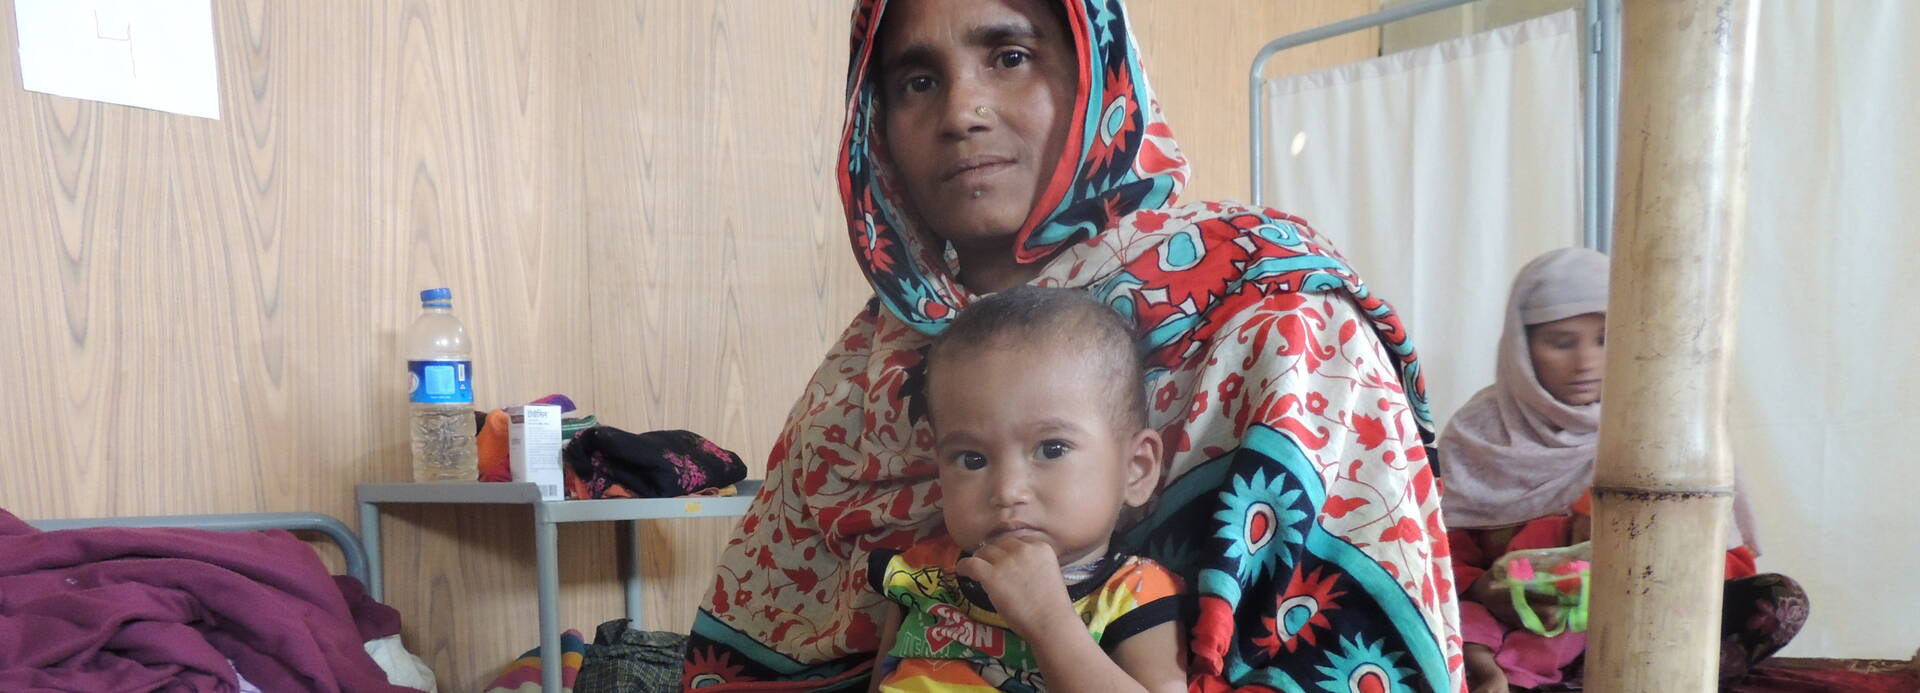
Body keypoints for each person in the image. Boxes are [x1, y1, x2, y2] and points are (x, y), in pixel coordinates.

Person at [684, 0, 1464, 690]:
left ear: (1096, 71)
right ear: (876, 127)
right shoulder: (857, 382)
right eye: (917, 81)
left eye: (1010, 56)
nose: (963, 109)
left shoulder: (1275, 318)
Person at [1439, 248, 1808, 692]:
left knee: (1777, 601)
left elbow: (1725, 562)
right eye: (1561, 342)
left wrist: (1630, 576)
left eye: (1606, 339)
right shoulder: (1478, 434)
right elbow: (1438, 558)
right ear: (1521, 346)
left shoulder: (1668, 426)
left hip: (1646, 631)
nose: (1586, 362)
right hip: (1510, 622)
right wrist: (1491, 590)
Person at [866, 286, 1184, 692]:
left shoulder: (1132, 593)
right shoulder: (920, 573)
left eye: (1052, 449)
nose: (1008, 490)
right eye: (972, 459)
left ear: (1136, 470)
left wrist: (1049, 621)